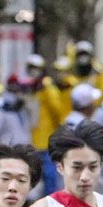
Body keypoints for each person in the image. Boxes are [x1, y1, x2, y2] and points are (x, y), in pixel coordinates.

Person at [25, 54, 67, 196]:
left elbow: (57, 111)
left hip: (47, 139)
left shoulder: (48, 88)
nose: (33, 71)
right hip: (34, 140)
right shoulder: (31, 88)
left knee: (50, 175)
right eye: (31, 68)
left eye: (36, 68)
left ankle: (51, 200)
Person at [55, 41, 103, 113]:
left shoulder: (99, 75)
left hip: (94, 111)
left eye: (85, 54)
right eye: (80, 55)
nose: (83, 58)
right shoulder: (70, 78)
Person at [0, 76, 32, 150]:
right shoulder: (0, 108)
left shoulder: (21, 108)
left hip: (23, 149)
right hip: (8, 150)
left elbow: (27, 130)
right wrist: (0, 149)